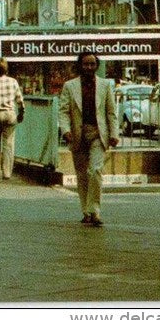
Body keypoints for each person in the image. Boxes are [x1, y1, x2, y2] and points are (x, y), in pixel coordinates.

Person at [58, 52, 118, 227]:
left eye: (92, 64)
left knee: (96, 171)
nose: (89, 67)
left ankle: (95, 211)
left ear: (96, 65)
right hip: (78, 135)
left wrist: (114, 134)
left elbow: (111, 112)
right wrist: (66, 130)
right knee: (82, 175)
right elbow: (63, 111)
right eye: (86, 64)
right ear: (80, 65)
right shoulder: (69, 86)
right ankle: (86, 211)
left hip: (98, 134)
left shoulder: (105, 85)